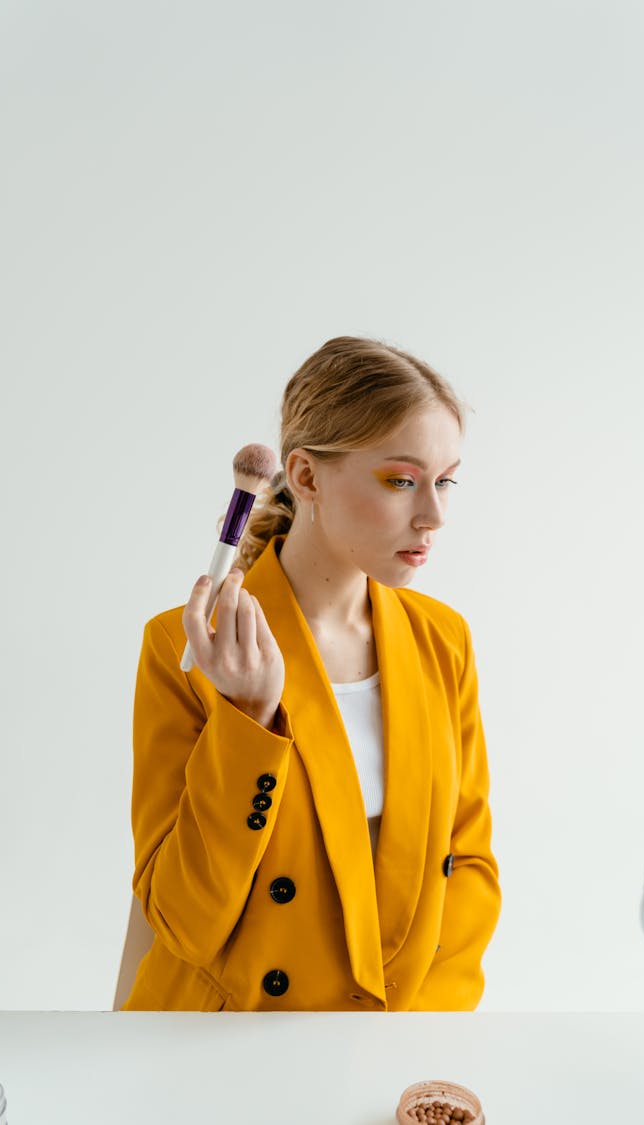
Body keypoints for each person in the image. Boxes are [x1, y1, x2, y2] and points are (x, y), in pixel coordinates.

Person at [123, 336, 500, 1011]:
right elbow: (182, 919)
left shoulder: (443, 640)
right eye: (401, 479)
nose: (434, 515)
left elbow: (467, 863)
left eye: (445, 480)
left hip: (394, 1037)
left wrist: (417, 1026)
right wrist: (247, 719)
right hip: (228, 1046)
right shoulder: (185, 650)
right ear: (304, 476)